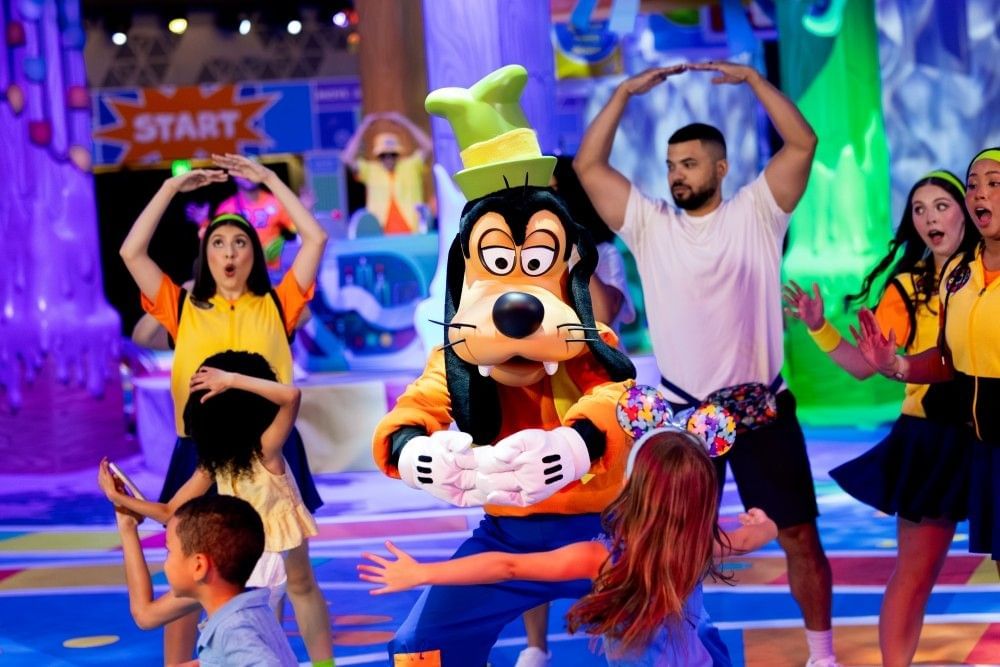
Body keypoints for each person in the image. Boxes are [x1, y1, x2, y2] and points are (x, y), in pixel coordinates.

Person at [573, 61, 838, 666]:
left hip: (761, 409)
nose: (677, 175)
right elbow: (590, 166)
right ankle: (678, 649)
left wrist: (753, 80)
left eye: (689, 164)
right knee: (670, 545)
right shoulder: (648, 224)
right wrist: (621, 94)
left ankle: (822, 657)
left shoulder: (758, 212)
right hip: (684, 419)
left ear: (720, 167)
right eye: (670, 166)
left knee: (799, 536)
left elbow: (803, 142)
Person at [118, 153, 328, 665]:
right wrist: (173, 188)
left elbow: (316, 239)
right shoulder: (180, 307)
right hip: (199, 449)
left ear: (254, 251)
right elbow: (131, 251)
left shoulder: (281, 303)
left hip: (269, 450)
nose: (229, 251)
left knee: (290, 574)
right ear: (204, 253)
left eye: (239, 241)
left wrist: (270, 179)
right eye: (218, 242)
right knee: (190, 569)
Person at [359, 427, 778, 665]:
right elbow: (756, 535)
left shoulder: (604, 559)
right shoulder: (697, 548)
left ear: (633, 486)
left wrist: (423, 573)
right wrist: (764, 523)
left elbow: (508, 567)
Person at [784, 170, 978, 666]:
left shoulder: (988, 274)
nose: (930, 217)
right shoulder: (907, 288)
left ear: (967, 211)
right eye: (919, 209)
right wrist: (820, 328)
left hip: (990, 434)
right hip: (931, 441)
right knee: (915, 576)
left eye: (941, 205)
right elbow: (867, 367)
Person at [98, 351, 333, 665]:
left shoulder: (265, 450)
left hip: (261, 564)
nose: (167, 563)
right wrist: (123, 503)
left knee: (264, 623)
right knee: (260, 631)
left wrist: (231, 380)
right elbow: (170, 512)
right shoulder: (215, 463)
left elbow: (291, 395)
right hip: (240, 560)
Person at [853, 147, 1000, 578]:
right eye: (973, 184)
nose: (980, 193)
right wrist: (897, 365)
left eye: (995, 184)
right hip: (989, 449)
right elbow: (946, 359)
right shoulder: (960, 273)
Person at [104, 492, 299, 666]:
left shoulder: (232, 629)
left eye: (169, 552)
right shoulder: (252, 610)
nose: (166, 563)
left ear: (198, 566)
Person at [186, 162, 298, 273]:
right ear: (234, 176)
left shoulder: (275, 201)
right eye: (241, 171)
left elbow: (297, 231)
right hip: (241, 272)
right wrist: (203, 222)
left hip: (273, 272)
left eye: (250, 170)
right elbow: (216, 240)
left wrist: (303, 212)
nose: (246, 175)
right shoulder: (227, 207)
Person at [341, 111, 432, 234]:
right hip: (380, 233)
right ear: (378, 156)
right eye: (383, 155)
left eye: (392, 154)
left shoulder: (411, 165)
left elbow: (429, 146)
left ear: (398, 154)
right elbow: (347, 158)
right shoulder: (371, 170)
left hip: (412, 231)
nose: (388, 158)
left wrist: (405, 122)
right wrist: (363, 127)